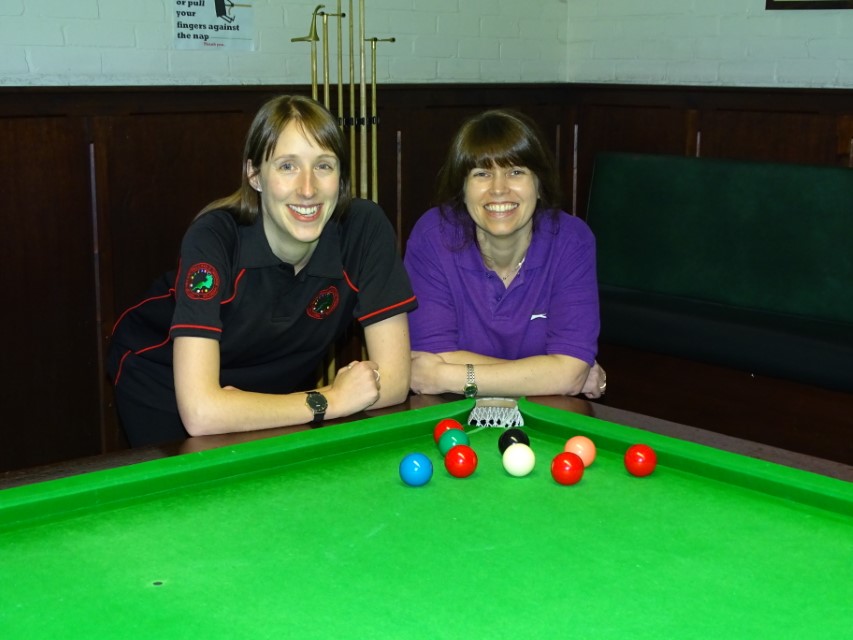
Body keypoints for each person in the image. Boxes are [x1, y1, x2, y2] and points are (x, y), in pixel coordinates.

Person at [108, 95, 416, 447]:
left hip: (276, 388)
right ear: (255, 175)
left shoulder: (365, 228)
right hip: (161, 380)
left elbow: (392, 381)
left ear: (341, 176)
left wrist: (320, 403)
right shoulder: (214, 237)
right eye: (287, 166)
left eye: (324, 166)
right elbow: (201, 412)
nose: (307, 189)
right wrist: (330, 400)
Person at [403, 109, 606, 400]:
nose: (498, 189)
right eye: (482, 174)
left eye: (516, 172)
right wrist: (551, 375)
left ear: (539, 185)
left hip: (546, 421)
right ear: (462, 188)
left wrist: (445, 374)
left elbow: (431, 371)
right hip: (447, 414)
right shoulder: (433, 237)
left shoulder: (572, 241)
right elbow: (427, 357)